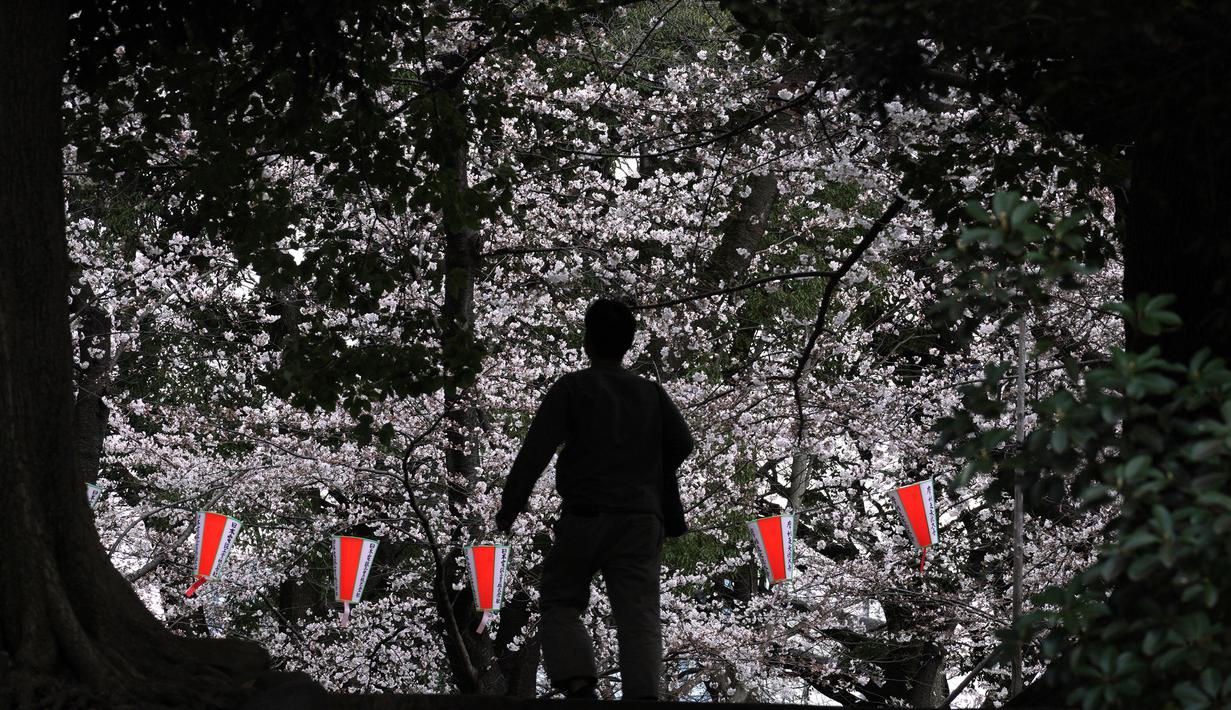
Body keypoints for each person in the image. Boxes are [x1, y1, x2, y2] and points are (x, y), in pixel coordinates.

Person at [495, 298, 694, 701]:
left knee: (560, 599)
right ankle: (642, 695)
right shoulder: (650, 393)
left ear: (587, 340)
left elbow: (535, 452)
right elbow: (683, 442)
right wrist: (650, 469)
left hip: (584, 515)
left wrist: (511, 505)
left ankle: (579, 682)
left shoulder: (573, 388)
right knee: (638, 612)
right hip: (640, 518)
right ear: (629, 344)